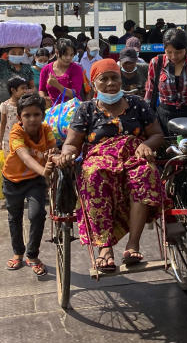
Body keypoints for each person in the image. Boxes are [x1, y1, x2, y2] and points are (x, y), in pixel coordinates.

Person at [57, 59, 165, 272]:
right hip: (100, 158)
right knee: (94, 175)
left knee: (146, 173)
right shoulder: (86, 109)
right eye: (103, 79)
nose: (110, 83)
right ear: (94, 83)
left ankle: (133, 244)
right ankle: (104, 248)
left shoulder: (137, 104)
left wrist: (145, 144)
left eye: (114, 77)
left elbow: (157, 134)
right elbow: (71, 143)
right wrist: (67, 155)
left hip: (132, 156)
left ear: (120, 78)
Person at [2, 93, 56, 278]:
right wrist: (44, 171)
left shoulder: (46, 129)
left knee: (37, 214)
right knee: (14, 217)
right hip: (13, 180)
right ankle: (18, 252)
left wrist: (53, 157)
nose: (32, 119)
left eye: (36, 114)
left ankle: (32, 255)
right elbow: (24, 156)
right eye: (27, 115)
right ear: (19, 117)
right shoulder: (16, 132)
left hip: (35, 180)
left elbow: (52, 149)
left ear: (43, 115)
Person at [145, 28, 187, 133]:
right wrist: (147, 119)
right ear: (164, 48)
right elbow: (149, 93)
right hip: (164, 116)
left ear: (186, 48)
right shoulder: (156, 63)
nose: (174, 56)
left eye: (178, 52)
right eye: (169, 52)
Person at [38, 38, 87, 105]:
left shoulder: (76, 69)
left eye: (71, 55)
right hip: (52, 110)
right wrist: (44, 99)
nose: (69, 58)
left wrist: (57, 85)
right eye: (66, 54)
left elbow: (74, 94)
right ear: (57, 52)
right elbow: (41, 90)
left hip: (72, 110)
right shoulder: (46, 69)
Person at [0, 76, 30, 157]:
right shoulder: (5, 105)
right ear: (13, 90)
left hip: (24, 137)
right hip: (9, 139)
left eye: (26, 88)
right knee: (11, 161)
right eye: (22, 88)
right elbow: (2, 123)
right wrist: (0, 141)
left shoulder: (27, 105)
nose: (25, 91)